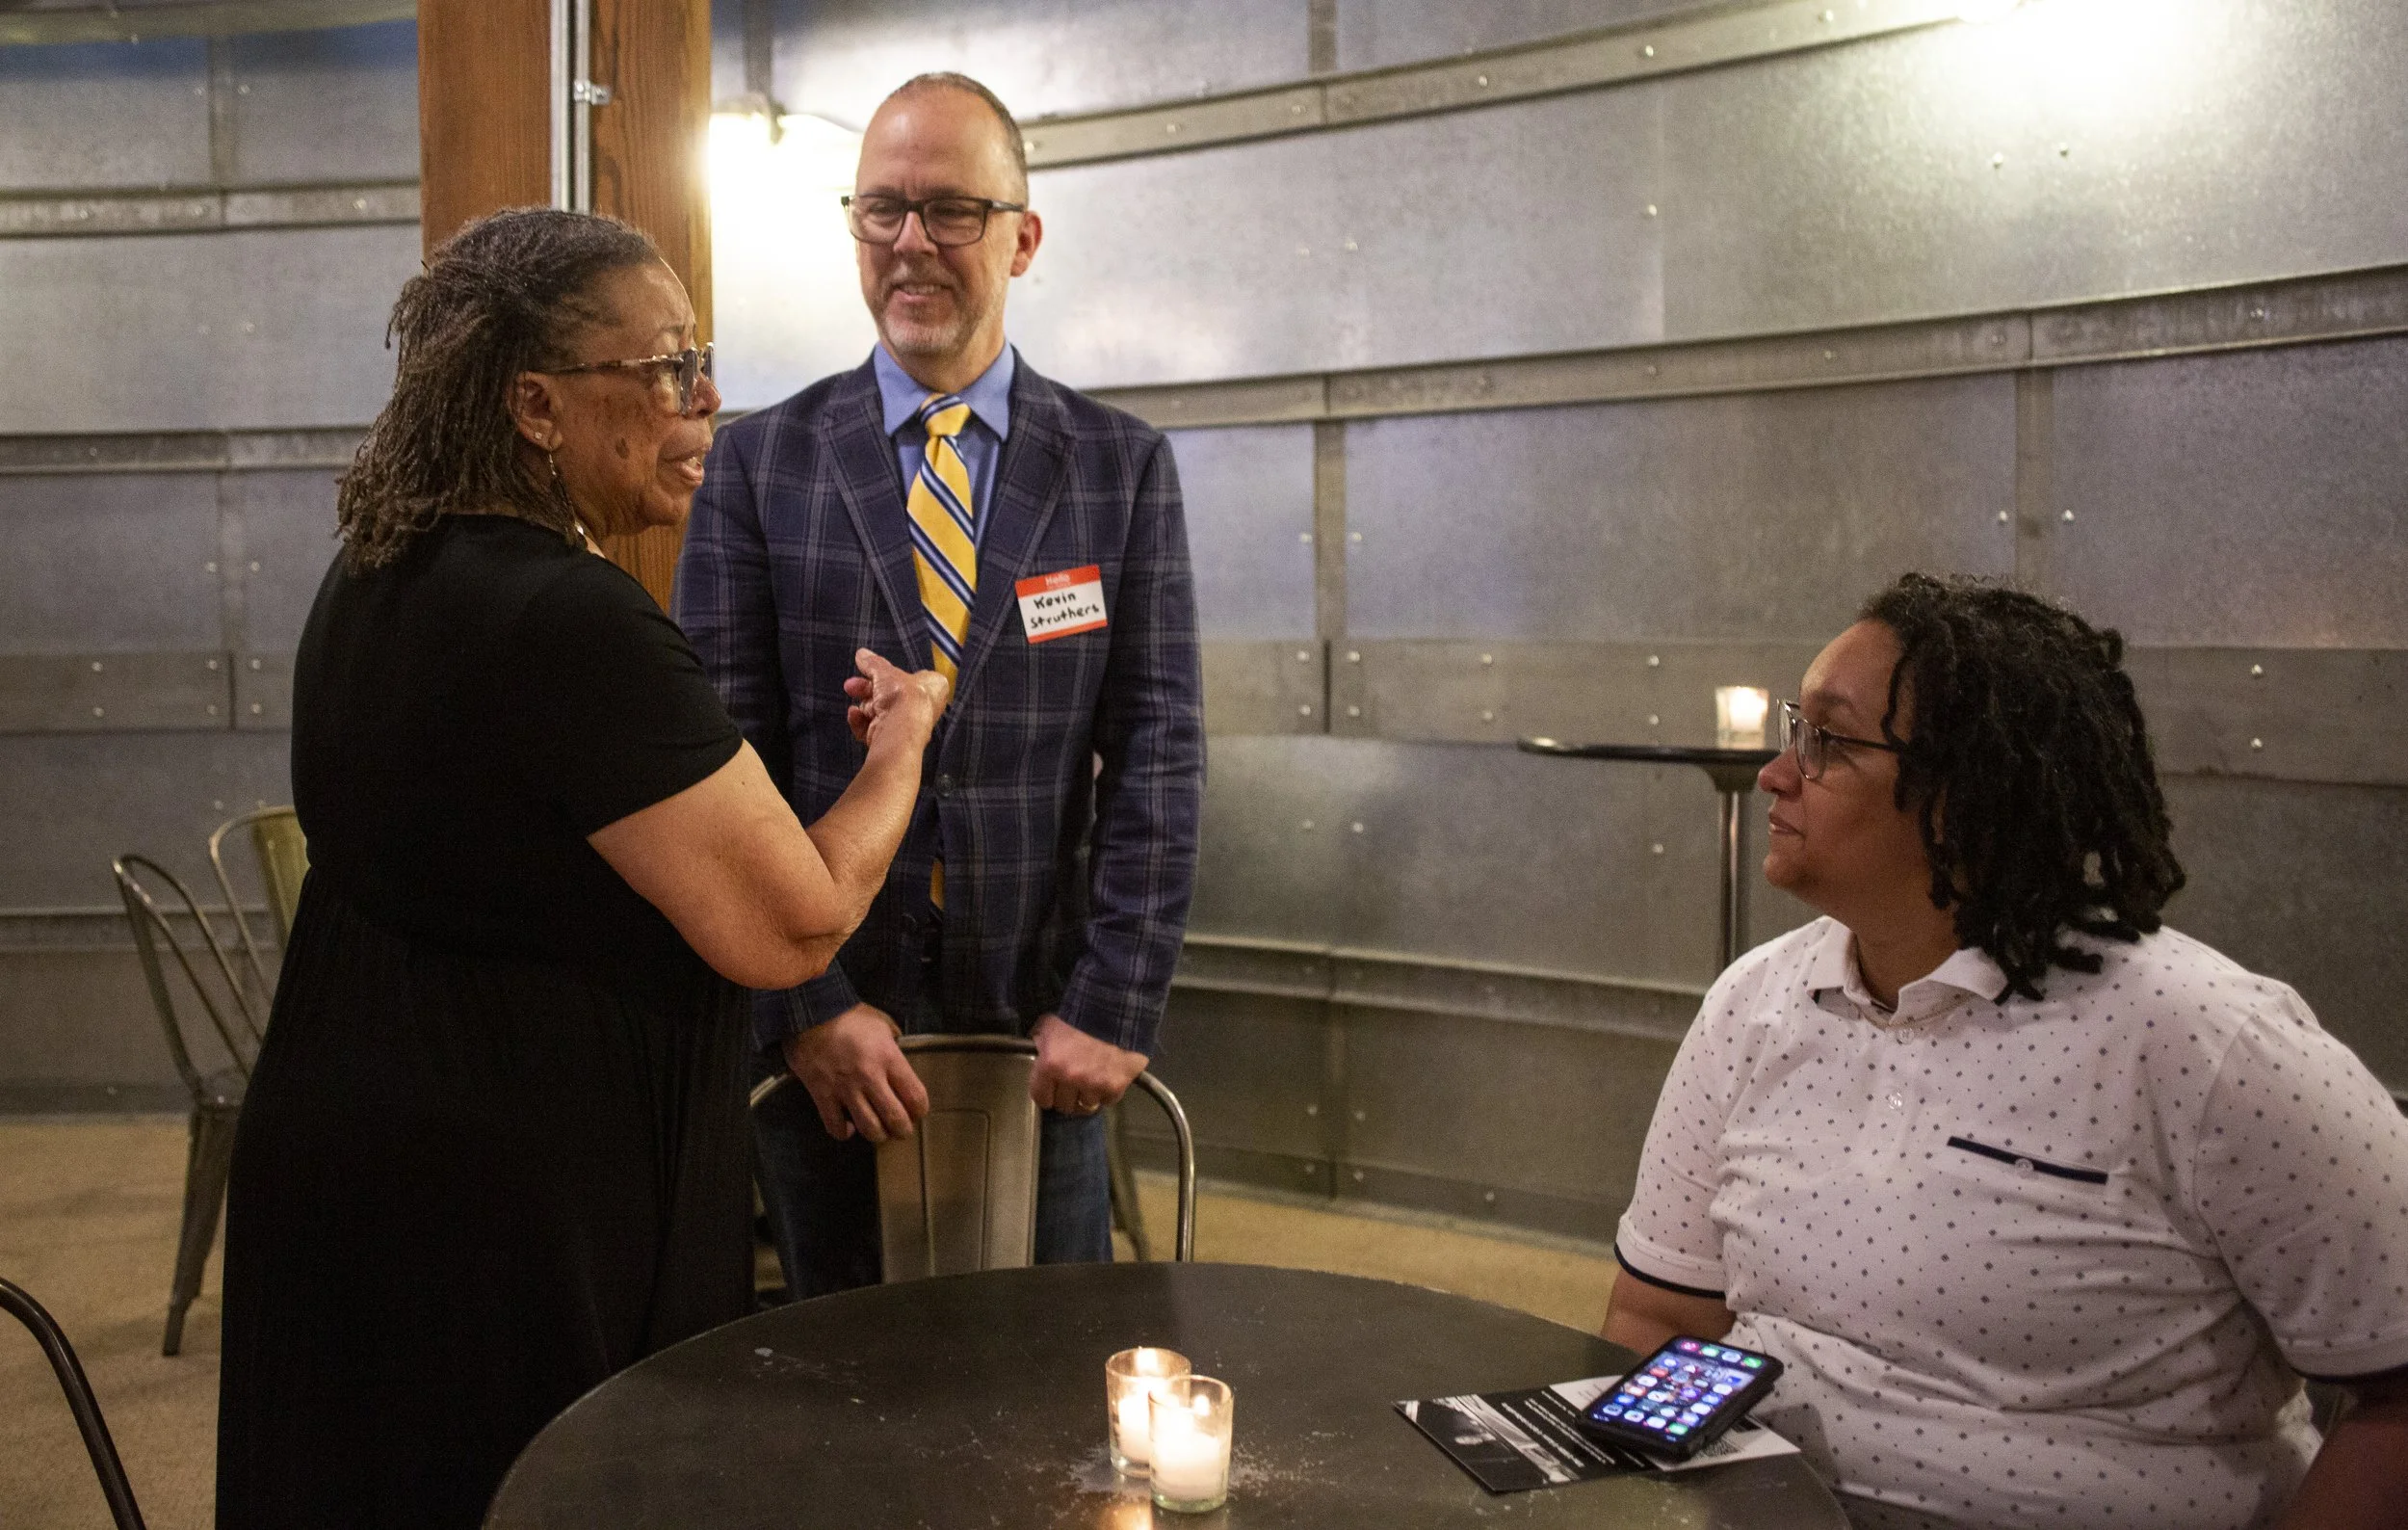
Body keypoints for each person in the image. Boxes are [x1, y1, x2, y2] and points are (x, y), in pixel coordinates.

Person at [217, 208, 949, 1529]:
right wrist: (901, 746)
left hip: (352, 1150)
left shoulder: (379, 569)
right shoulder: (570, 619)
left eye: (700, 358)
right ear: (537, 407)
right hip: (500, 1202)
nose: (706, 396)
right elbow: (790, 928)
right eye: (666, 367)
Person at [1606, 573, 2408, 1530]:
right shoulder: (1755, 1003)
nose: (1778, 773)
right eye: (1794, 726)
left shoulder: (2206, 1041)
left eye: (1829, 741)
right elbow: (1661, 1316)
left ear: (1967, 796)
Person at [677, 72, 1203, 1295]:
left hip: (1040, 1034)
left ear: (1022, 236)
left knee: (1042, 1384)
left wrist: (1116, 1000)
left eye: (951, 210)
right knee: (833, 1392)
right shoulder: (761, 463)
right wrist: (803, 1005)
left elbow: (1159, 754)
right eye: (881, 210)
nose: (910, 243)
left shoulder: (1119, 468)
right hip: (831, 1040)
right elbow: (716, 756)